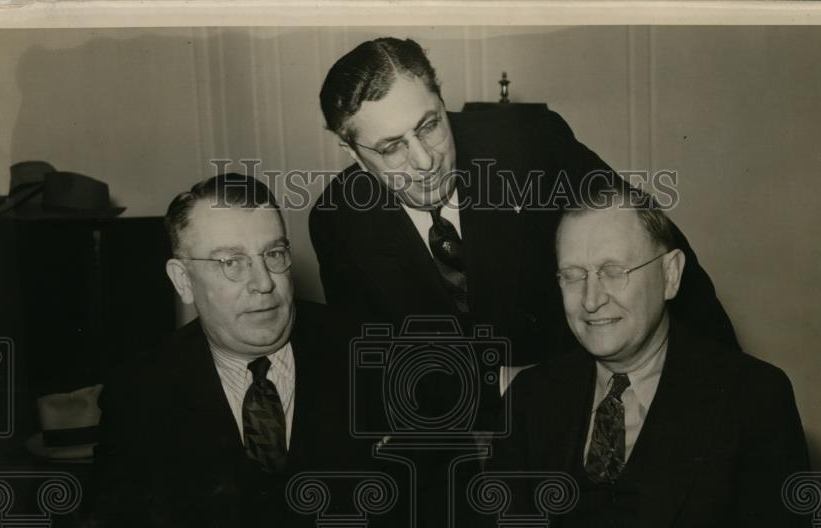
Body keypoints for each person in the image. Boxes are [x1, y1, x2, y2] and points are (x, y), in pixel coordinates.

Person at [464, 184, 814, 528]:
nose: (591, 298)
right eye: (572, 275)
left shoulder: (753, 399)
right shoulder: (533, 396)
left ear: (671, 275)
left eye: (613, 270)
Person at [43, 174, 429, 528]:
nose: (264, 283)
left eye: (274, 254)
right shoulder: (141, 389)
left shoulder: (379, 354)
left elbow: (447, 510)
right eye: (231, 262)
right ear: (183, 280)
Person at [310, 36, 738, 374]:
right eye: (391, 148)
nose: (425, 161)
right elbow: (371, 364)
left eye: (429, 126)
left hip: (573, 404)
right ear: (352, 152)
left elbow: (660, 255)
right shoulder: (339, 221)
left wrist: (723, 393)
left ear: (442, 101)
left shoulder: (529, 146)